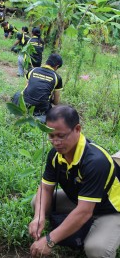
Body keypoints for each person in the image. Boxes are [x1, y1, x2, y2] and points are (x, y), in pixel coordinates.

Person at [29, 105, 120, 258]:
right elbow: (45, 188)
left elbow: (84, 211)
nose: (56, 142)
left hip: (110, 209)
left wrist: (49, 240)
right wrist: (39, 217)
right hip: (82, 201)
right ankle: (81, 226)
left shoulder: (95, 161)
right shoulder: (56, 155)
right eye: (51, 136)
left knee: (97, 250)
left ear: (77, 129)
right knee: (36, 203)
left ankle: (102, 229)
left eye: (61, 136)